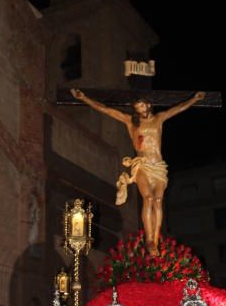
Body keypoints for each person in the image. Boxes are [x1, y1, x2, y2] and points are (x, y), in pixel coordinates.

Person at [70, 88, 206, 255]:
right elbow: (105, 110)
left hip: (158, 166)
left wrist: (194, 99)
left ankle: (155, 238)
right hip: (142, 166)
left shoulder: (159, 118)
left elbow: (177, 109)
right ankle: (149, 240)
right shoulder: (131, 122)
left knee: (157, 200)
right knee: (148, 198)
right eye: (137, 108)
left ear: (148, 105)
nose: (140, 110)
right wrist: (84, 98)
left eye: (142, 106)